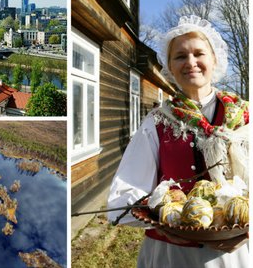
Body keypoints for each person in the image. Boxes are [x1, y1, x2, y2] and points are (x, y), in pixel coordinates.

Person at [107, 15, 249, 267]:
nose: (191, 62)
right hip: (173, 255)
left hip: (235, 254)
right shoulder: (157, 122)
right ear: (170, 68)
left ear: (214, 59)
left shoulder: (245, 119)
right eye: (180, 56)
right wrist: (167, 219)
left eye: (199, 53)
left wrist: (246, 228)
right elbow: (124, 198)